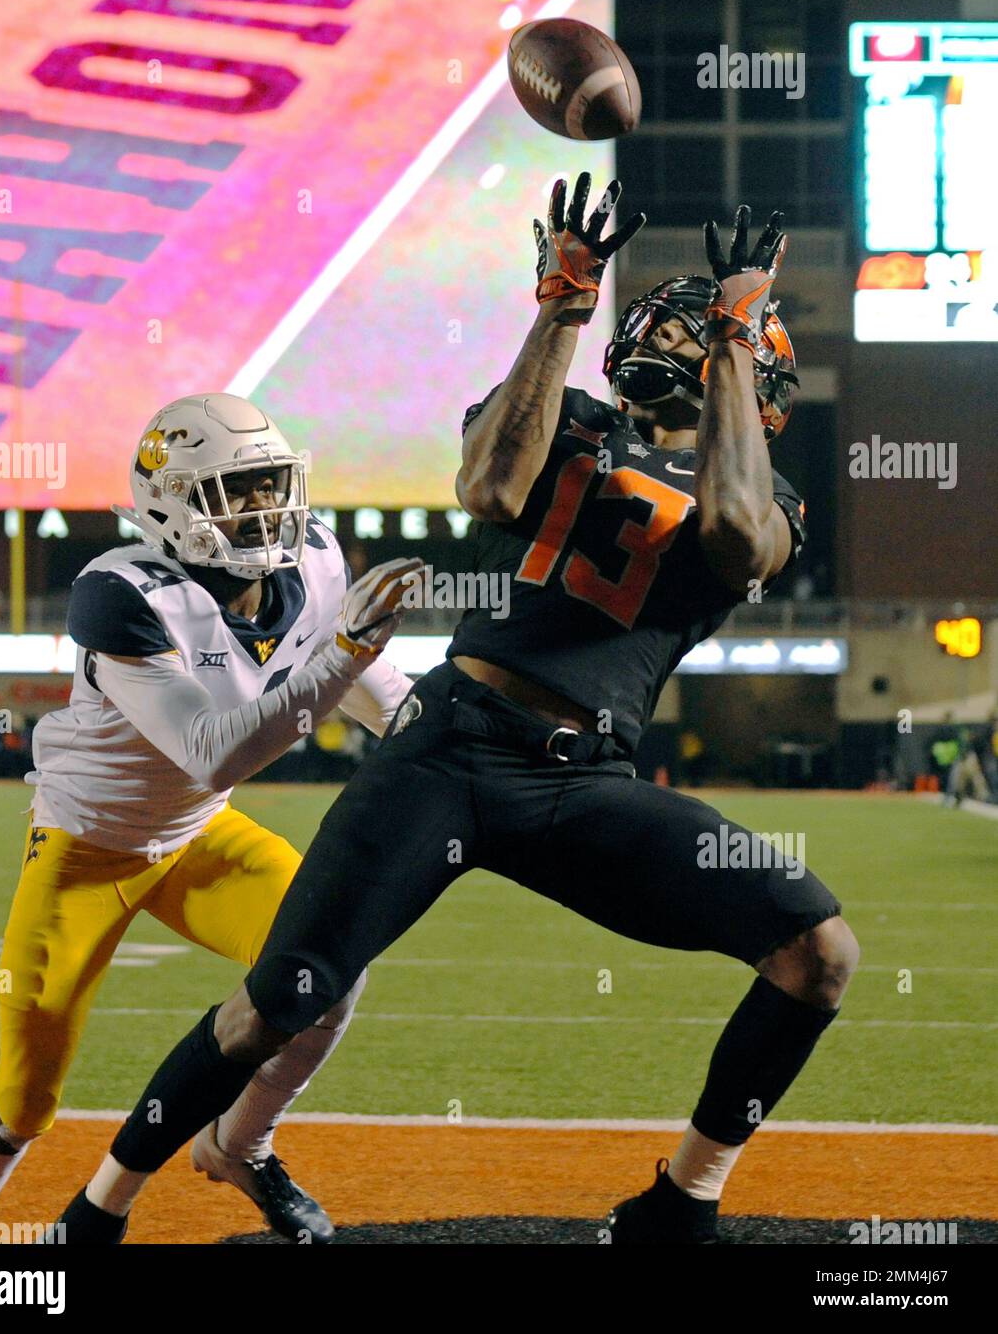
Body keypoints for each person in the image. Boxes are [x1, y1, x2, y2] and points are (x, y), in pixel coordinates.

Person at [52, 183, 858, 1246]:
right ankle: (95, 1210)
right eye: (667, 317)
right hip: (448, 742)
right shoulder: (568, 412)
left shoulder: (766, 496)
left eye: (703, 326)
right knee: (278, 1001)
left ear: (755, 375)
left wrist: (734, 336)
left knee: (819, 951)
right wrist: (559, 308)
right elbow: (485, 486)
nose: (673, 329)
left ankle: (682, 1198)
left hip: (581, 780)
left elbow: (736, 536)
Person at [0, 393, 421, 1246]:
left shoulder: (317, 563)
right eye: (240, 490)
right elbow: (211, 750)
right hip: (86, 848)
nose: (267, 508)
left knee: (327, 965)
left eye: (271, 484)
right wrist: (346, 656)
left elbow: (381, 697)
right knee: (25, 1099)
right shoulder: (122, 591)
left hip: (197, 837)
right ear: (172, 503)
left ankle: (241, 1145)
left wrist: (451, 736)